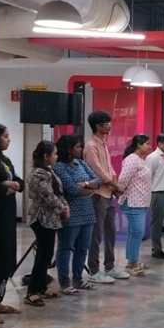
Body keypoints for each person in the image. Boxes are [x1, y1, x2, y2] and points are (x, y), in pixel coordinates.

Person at [83, 110, 128, 283]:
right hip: (98, 194)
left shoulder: (103, 143)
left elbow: (110, 168)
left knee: (111, 231)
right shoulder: (91, 146)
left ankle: (109, 267)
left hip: (108, 194)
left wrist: (115, 187)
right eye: (107, 123)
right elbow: (98, 172)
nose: (110, 126)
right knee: (96, 234)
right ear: (98, 126)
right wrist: (116, 186)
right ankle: (94, 271)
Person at [53, 134, 101, 295]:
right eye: (77, 147)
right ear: (68, 149)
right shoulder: (59, 167)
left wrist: (86, 184)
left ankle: (78, 280)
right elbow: (72, 189)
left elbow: (98, 181)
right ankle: (64, 283)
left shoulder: (81, 163)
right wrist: (90, 189)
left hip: (87, 212)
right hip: (70, 213)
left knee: (83, 248)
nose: (81, 149)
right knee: (66, 248)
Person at [26, 141, 69, 306]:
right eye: (54, 154)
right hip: (41, 218)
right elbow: (48, 196)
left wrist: (65, 205)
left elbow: (59, 193)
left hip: (51, 219)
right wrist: (62, 209)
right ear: (46, 156)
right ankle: (32, 291)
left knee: (46, 254)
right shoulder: (38, 174)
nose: (57, 157)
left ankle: (41, 286)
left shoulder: (49, 171)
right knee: (44, 254)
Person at [0, 123, 24, 324]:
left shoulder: (4, 161)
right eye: (5, 136)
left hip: (7, 216)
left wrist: (9, 185)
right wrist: (5, 188)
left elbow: (20, 183)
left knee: (5, 257)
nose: (9, 139)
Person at [118, 134, 153, 275]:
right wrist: (119, 193)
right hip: (133, 202)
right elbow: (122, 180)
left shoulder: (140, 160)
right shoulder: (132, 159)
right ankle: (133, 263)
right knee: (137, 232)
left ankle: (132, 261)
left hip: (141, 202)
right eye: (147, 144)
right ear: (139, 145)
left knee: (135, 232)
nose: (149, 146)